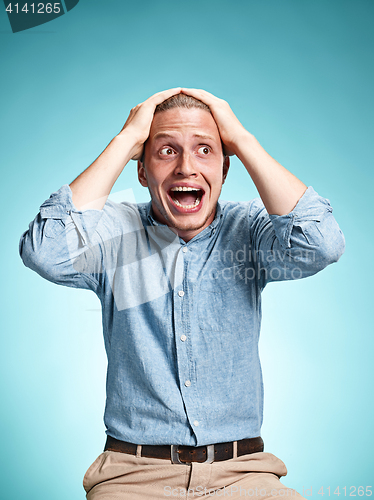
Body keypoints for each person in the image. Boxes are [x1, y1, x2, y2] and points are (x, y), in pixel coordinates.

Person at [19, 87, 345, 499]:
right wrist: (123, 142)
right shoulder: (114, 233)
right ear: (142, 170)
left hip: (243, 476)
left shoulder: (250, 230)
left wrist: (243, 140)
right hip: (132, 478)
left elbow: (322, 243)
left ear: (225, 170)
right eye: (166, 151)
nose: (186, 167)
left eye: (205, 150)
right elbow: (44, 251)